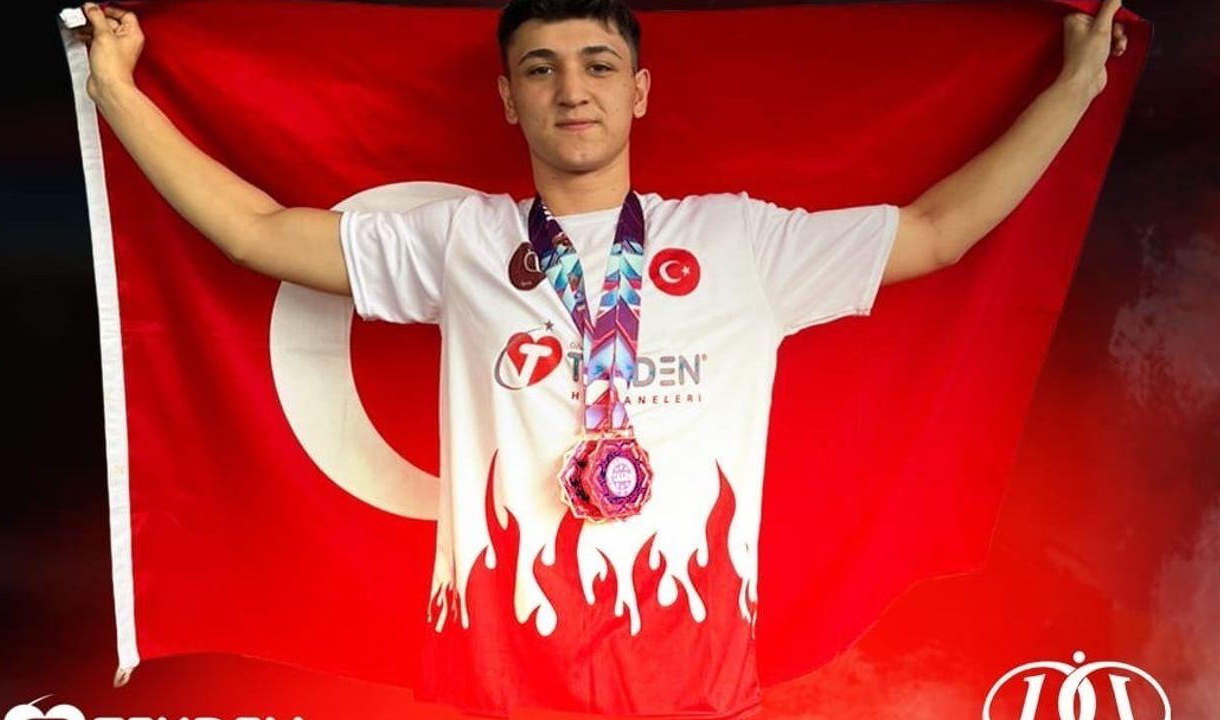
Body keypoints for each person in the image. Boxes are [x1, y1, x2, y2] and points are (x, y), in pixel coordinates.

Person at [75, 0, 1129, 717]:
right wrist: (115, 89)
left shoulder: (738, 241)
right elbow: (257, 233)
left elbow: (938, 232)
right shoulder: (462, 241)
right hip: (500, 675)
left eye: (596, 65)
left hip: (691, 672)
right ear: (508, 99)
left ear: (639, 91)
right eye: (539, 69)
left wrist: (1075, 88)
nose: (570, 90)